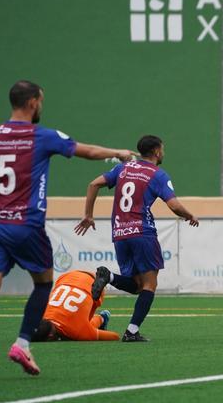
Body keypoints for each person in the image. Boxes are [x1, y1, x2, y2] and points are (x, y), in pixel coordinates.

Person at [0, 80, 134, 382]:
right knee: (44, 284)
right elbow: (87, 151)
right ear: (32, 102)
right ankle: (22, 344)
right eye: (41, 101)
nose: (41, 106)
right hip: (25, 226)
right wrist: (118, 152)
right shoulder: (41, 136)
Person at [74, 135, 198, 342]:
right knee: (149, 285)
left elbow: (93, 184)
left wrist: (88, 215)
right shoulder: (158, 174)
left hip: (120, 233)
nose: (163, 153)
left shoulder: (123, 168)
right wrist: (190, 215)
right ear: (157, 151)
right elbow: (174, 205)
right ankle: (131, 332)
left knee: (137, 285)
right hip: (142, 232)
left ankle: (108, 277)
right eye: (162, 149)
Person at [31, 270, 118, 342]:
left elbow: (115, 336)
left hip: (96, 284)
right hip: (67, 276)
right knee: (83, 325)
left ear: (50, 336)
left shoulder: (77, 331)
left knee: (84, 328)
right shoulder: (43, 314)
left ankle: (102, 318)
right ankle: (102, 317)